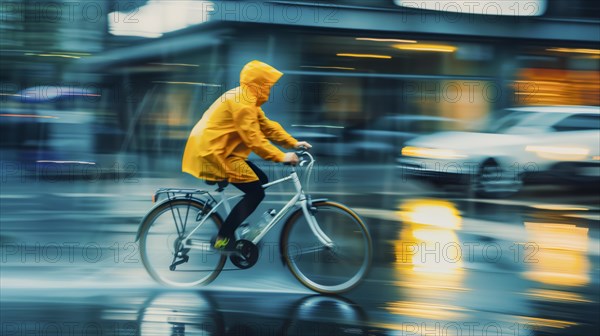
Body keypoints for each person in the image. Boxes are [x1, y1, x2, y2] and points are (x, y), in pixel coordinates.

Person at [182, 60, 311, 252]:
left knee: (261, 180)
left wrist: (292, 143)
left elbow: (267, 127)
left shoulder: (246, 99)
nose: (269, 89)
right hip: (213, 154)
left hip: (221, 151)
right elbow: (254, 140)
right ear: (257, 84)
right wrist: (281, 156)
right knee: (255, 192)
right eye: (267, 85)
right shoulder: (242, 102)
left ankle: (238, 226)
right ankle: (223, 238)